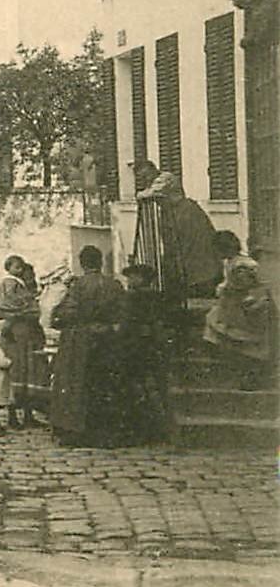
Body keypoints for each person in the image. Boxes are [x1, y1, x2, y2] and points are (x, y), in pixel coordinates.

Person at [49, 245, 130, 446]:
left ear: (82, 263)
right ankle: (106, 433)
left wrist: (59, 318)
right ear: (100, 262)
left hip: (80, 342)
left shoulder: (78, 286)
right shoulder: (114, 285)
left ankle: (77, 431)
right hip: (108, 340)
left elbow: (64, 314)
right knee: (105, 384)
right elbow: (124, 313)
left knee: (77, 384)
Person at [130, 159, 221, 299]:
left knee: (194, 249)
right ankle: (184, 284)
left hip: (185, 215)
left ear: (153, 170)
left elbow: (149, 194)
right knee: (176, 251)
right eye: (142, 177)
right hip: (171, 216)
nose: (145, 179)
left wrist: (140, 194)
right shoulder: (154, 183)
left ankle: (200, 283)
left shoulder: (165, 178)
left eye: (146, 175)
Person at [204, 231, 276, 387]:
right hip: (234, 306)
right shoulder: (231, 262)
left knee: (244, 342)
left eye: (218, 249)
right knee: (228, 335)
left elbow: (243, 284)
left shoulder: (241, 265)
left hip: (245, 306)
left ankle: (251, 376)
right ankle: (244, 374)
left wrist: (227, 289)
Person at [117, 262, 171, 443]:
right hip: (155, 346)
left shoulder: (132, 298)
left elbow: (125, 323)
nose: (129, 281)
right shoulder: (158, 297)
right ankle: (161, 426)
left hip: (136, 346)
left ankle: (142, 428)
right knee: (155, 386)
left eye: (132, 277)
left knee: (135, 386)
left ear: (141, 279)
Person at [0, 254, 45, 427]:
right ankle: (13, 416)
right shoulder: (11, 288)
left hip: (30, 337)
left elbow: (36, 313)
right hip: (15, 338)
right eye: (29, 278)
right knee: (15, 373)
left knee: (30, 374)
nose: (32, 281)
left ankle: (29, 415)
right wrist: (23, 312)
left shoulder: (27, 292)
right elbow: (0, 312)